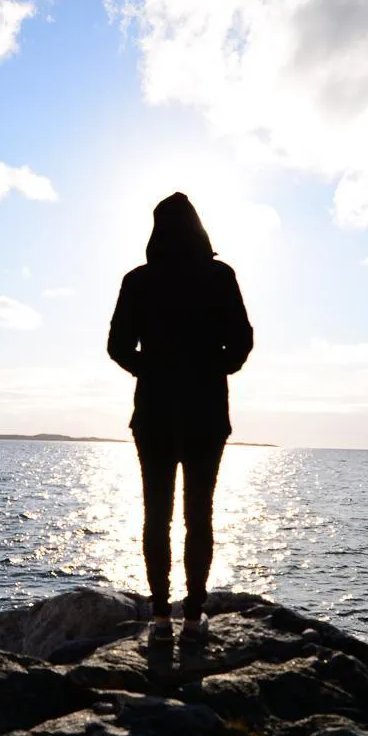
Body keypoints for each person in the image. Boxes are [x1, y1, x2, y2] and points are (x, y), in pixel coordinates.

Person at [107, 192, 253, 645]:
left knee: (157, 516)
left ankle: (159, 616)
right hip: (207, 412)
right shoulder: (219, 276)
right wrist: (216, 368)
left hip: (153, 413)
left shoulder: (138, 281)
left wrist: (147, 368)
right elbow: (243, 341)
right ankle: (193, 614)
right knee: (199, 515)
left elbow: (116, 347)